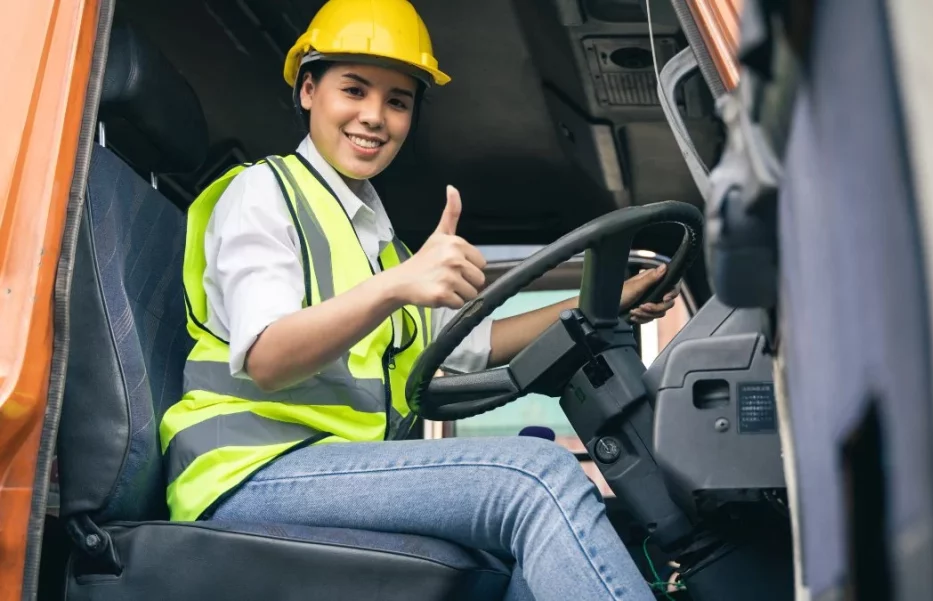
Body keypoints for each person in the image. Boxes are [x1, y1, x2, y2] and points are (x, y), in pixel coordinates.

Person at [162, 0, 677, 599]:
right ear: (308, 90)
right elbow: (268, 358)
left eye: (397, 101)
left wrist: (598, 307)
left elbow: (471, 347)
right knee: (535, 477)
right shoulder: (263, 193)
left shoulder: (382, 244)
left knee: (523, 551)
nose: (374, 116)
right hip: (247, 472)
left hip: (330, 469)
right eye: (353, 90)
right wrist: (397, 286)